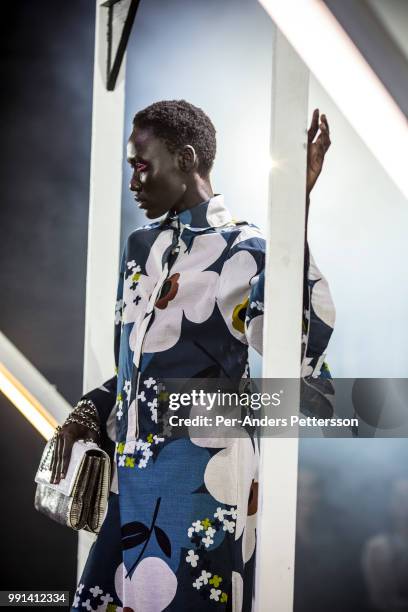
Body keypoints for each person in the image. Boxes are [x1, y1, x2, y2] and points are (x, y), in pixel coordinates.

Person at [50, 100, 334, 611]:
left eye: (142, 164)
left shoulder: (244, 248)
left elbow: (295, 352)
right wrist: (90, 409)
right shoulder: (140, 247)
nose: (133, 181)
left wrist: (298, 211)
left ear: (185, 159)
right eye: (130, 168)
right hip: (130, 474)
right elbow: (138, 366)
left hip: (204, 475)